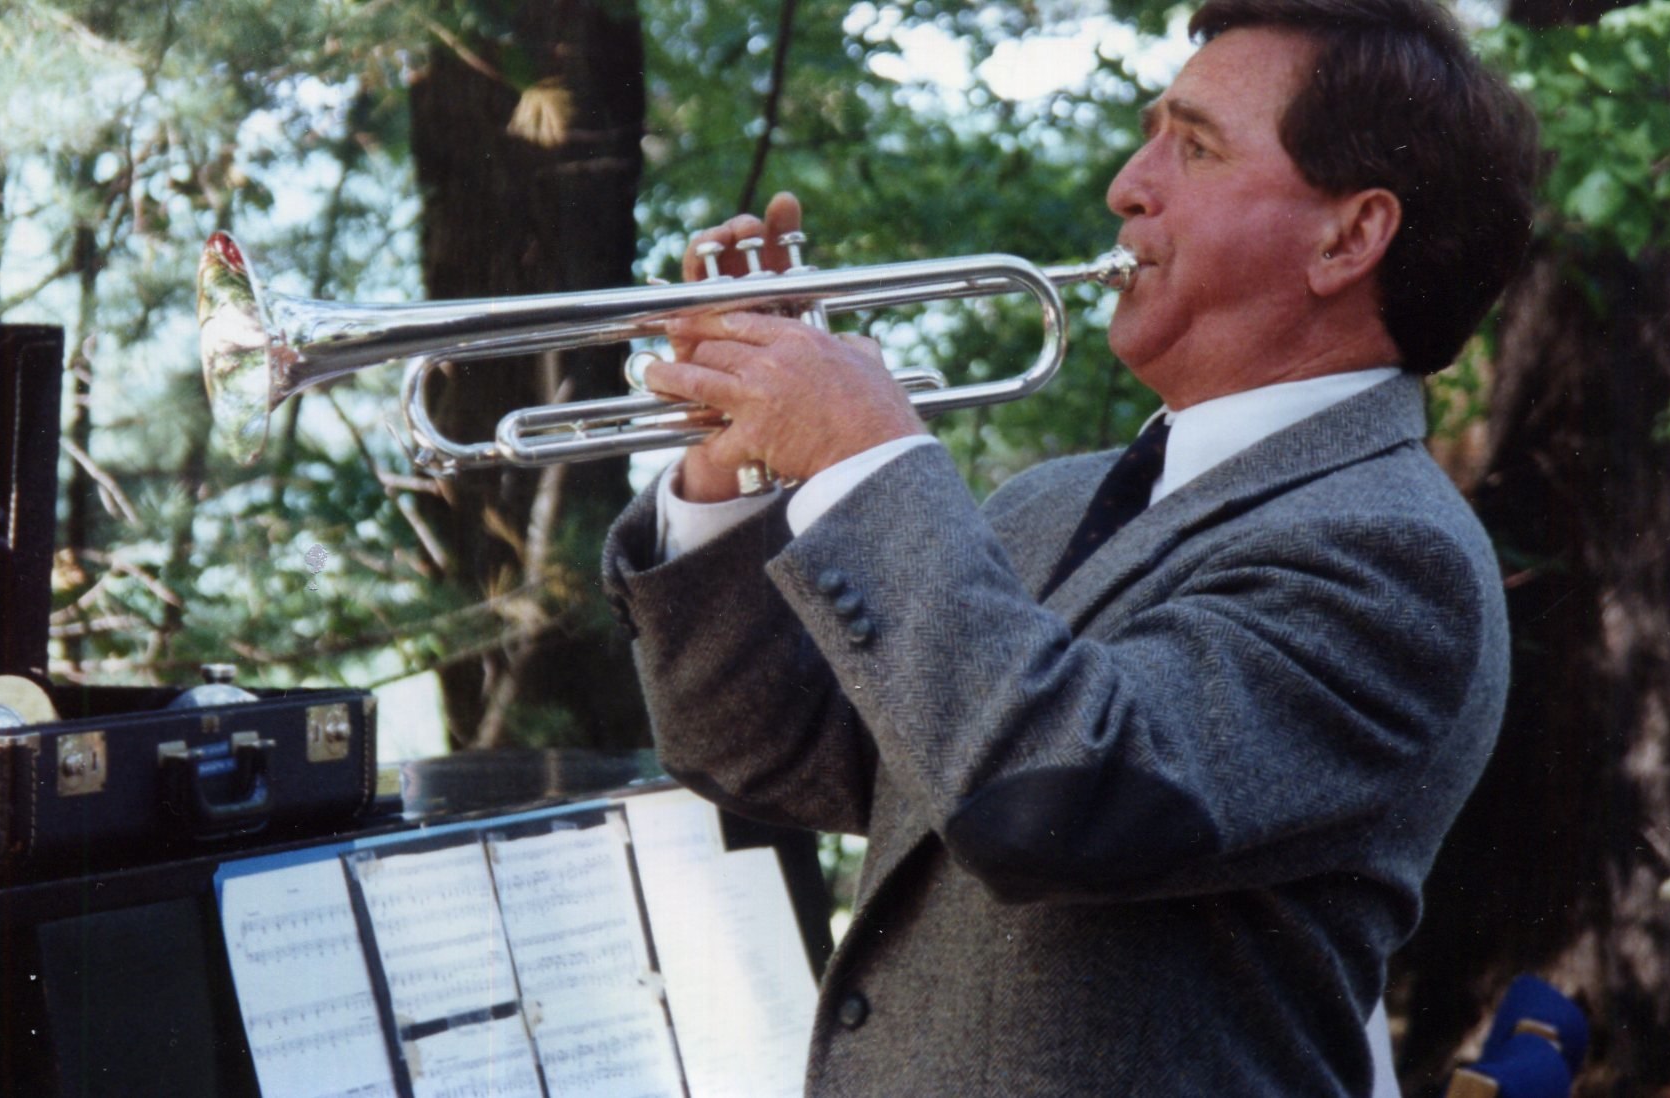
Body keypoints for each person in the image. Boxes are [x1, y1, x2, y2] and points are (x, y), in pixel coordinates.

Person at [601, 0, 1538, 1091]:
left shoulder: (1393, 556)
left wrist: (863, 459)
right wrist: (729, 471)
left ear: (1348, 236)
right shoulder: (1051, 503)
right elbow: (768, 756)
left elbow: (1056, 802)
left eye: (1193, 146)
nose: (1127, 186)